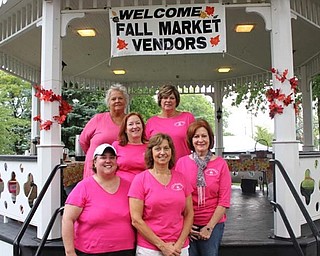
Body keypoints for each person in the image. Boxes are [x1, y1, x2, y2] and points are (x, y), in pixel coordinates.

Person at [62, 143, 135, 256]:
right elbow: (67, 219)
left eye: (112, 157)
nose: (108, 161)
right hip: (91, 250)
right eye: (103, 157)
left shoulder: (129, 186)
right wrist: (69, 252)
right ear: (95, 162)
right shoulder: (83, 187)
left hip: (125, 250)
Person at [129, 133, 194, 256]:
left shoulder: (182, 179)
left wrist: (179, 244)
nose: (162, 152)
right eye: (158, 148)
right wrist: (162, 246)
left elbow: (189, 213)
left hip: (179, 248)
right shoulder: (140, 180)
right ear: (151, 153)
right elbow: (136, 220)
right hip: (150, 249)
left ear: (171, 152)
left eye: (166, 148)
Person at [175, 119, 231, 256]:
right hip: (187, 224)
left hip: (213, 222)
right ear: (191, 140)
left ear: (210, 139)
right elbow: (177, 197)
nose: (200, 140)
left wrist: (209, 227)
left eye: (204, 136)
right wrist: (186, 225)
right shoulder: (181, 163)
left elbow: (224, 200)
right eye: (196, 136)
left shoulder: (220, 164)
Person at [79, 83, 129, 178]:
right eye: (113, 99)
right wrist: (95, 155)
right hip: (95, 170)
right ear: (108, 102)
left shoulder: (130, 122)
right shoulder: (98, 119)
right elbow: (83, 141)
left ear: (125, 101)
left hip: (119, 171)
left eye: (120, 98)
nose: (117, 101)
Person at [145, 84, 195, 161]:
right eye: (165, 98)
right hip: (160, 168)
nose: (168, 100)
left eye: (172, 98)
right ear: (160, 100)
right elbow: (146, 147)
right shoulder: (151, 122)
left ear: (176, 100)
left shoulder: (188, 118)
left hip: (183, 166)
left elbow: (196, 142)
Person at [112, 112, 148, 182]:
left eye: (138, 123)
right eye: (131, 124)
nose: (135, 126)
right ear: (125, 129)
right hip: (120, 186)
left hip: (144, 187)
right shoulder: (116, 146)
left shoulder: (150, 147)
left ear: (142, 126)